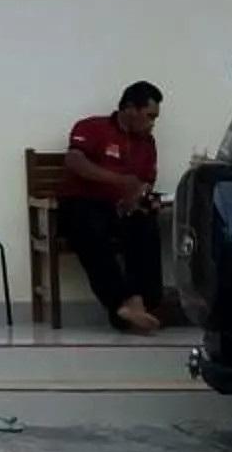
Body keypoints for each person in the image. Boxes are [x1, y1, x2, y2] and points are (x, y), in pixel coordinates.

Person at [57, 80, 168, 333]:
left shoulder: (147, 143)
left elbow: (145, 182)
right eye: (149, 116)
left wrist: (140, 198)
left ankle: (141, 303)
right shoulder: (92, 127)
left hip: (118, 210)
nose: (152, 123)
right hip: (80, 204)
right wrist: (118, 181)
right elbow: (74, 161)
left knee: (146, 224)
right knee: (89, 226)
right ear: (130, 108)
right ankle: (123, 301)